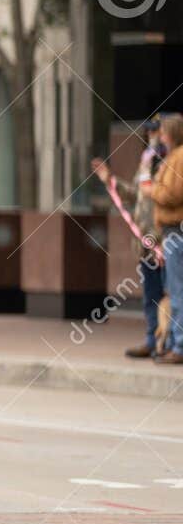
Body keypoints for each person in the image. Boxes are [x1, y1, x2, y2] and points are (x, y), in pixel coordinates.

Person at [93, 117, 167, 360]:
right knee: (151, 295)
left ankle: (171, 343)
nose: (152, 136)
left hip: (168, 241)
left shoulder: (175, 161)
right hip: (146, 241)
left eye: (157, 131)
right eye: (150, 132)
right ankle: (151, 339)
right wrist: (110, 181)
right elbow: (136, 196)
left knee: (172, 296)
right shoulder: (147, 160)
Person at [146, 114, 183, 365]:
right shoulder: (172, 157)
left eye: (163, 132)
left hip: (175, 232)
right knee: (174, 290)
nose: (160, 136)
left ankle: (179, 346)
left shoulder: (179, 158)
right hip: (170, 231)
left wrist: (152, 190)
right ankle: (172, 342)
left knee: (177, 291)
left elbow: (173, 194)